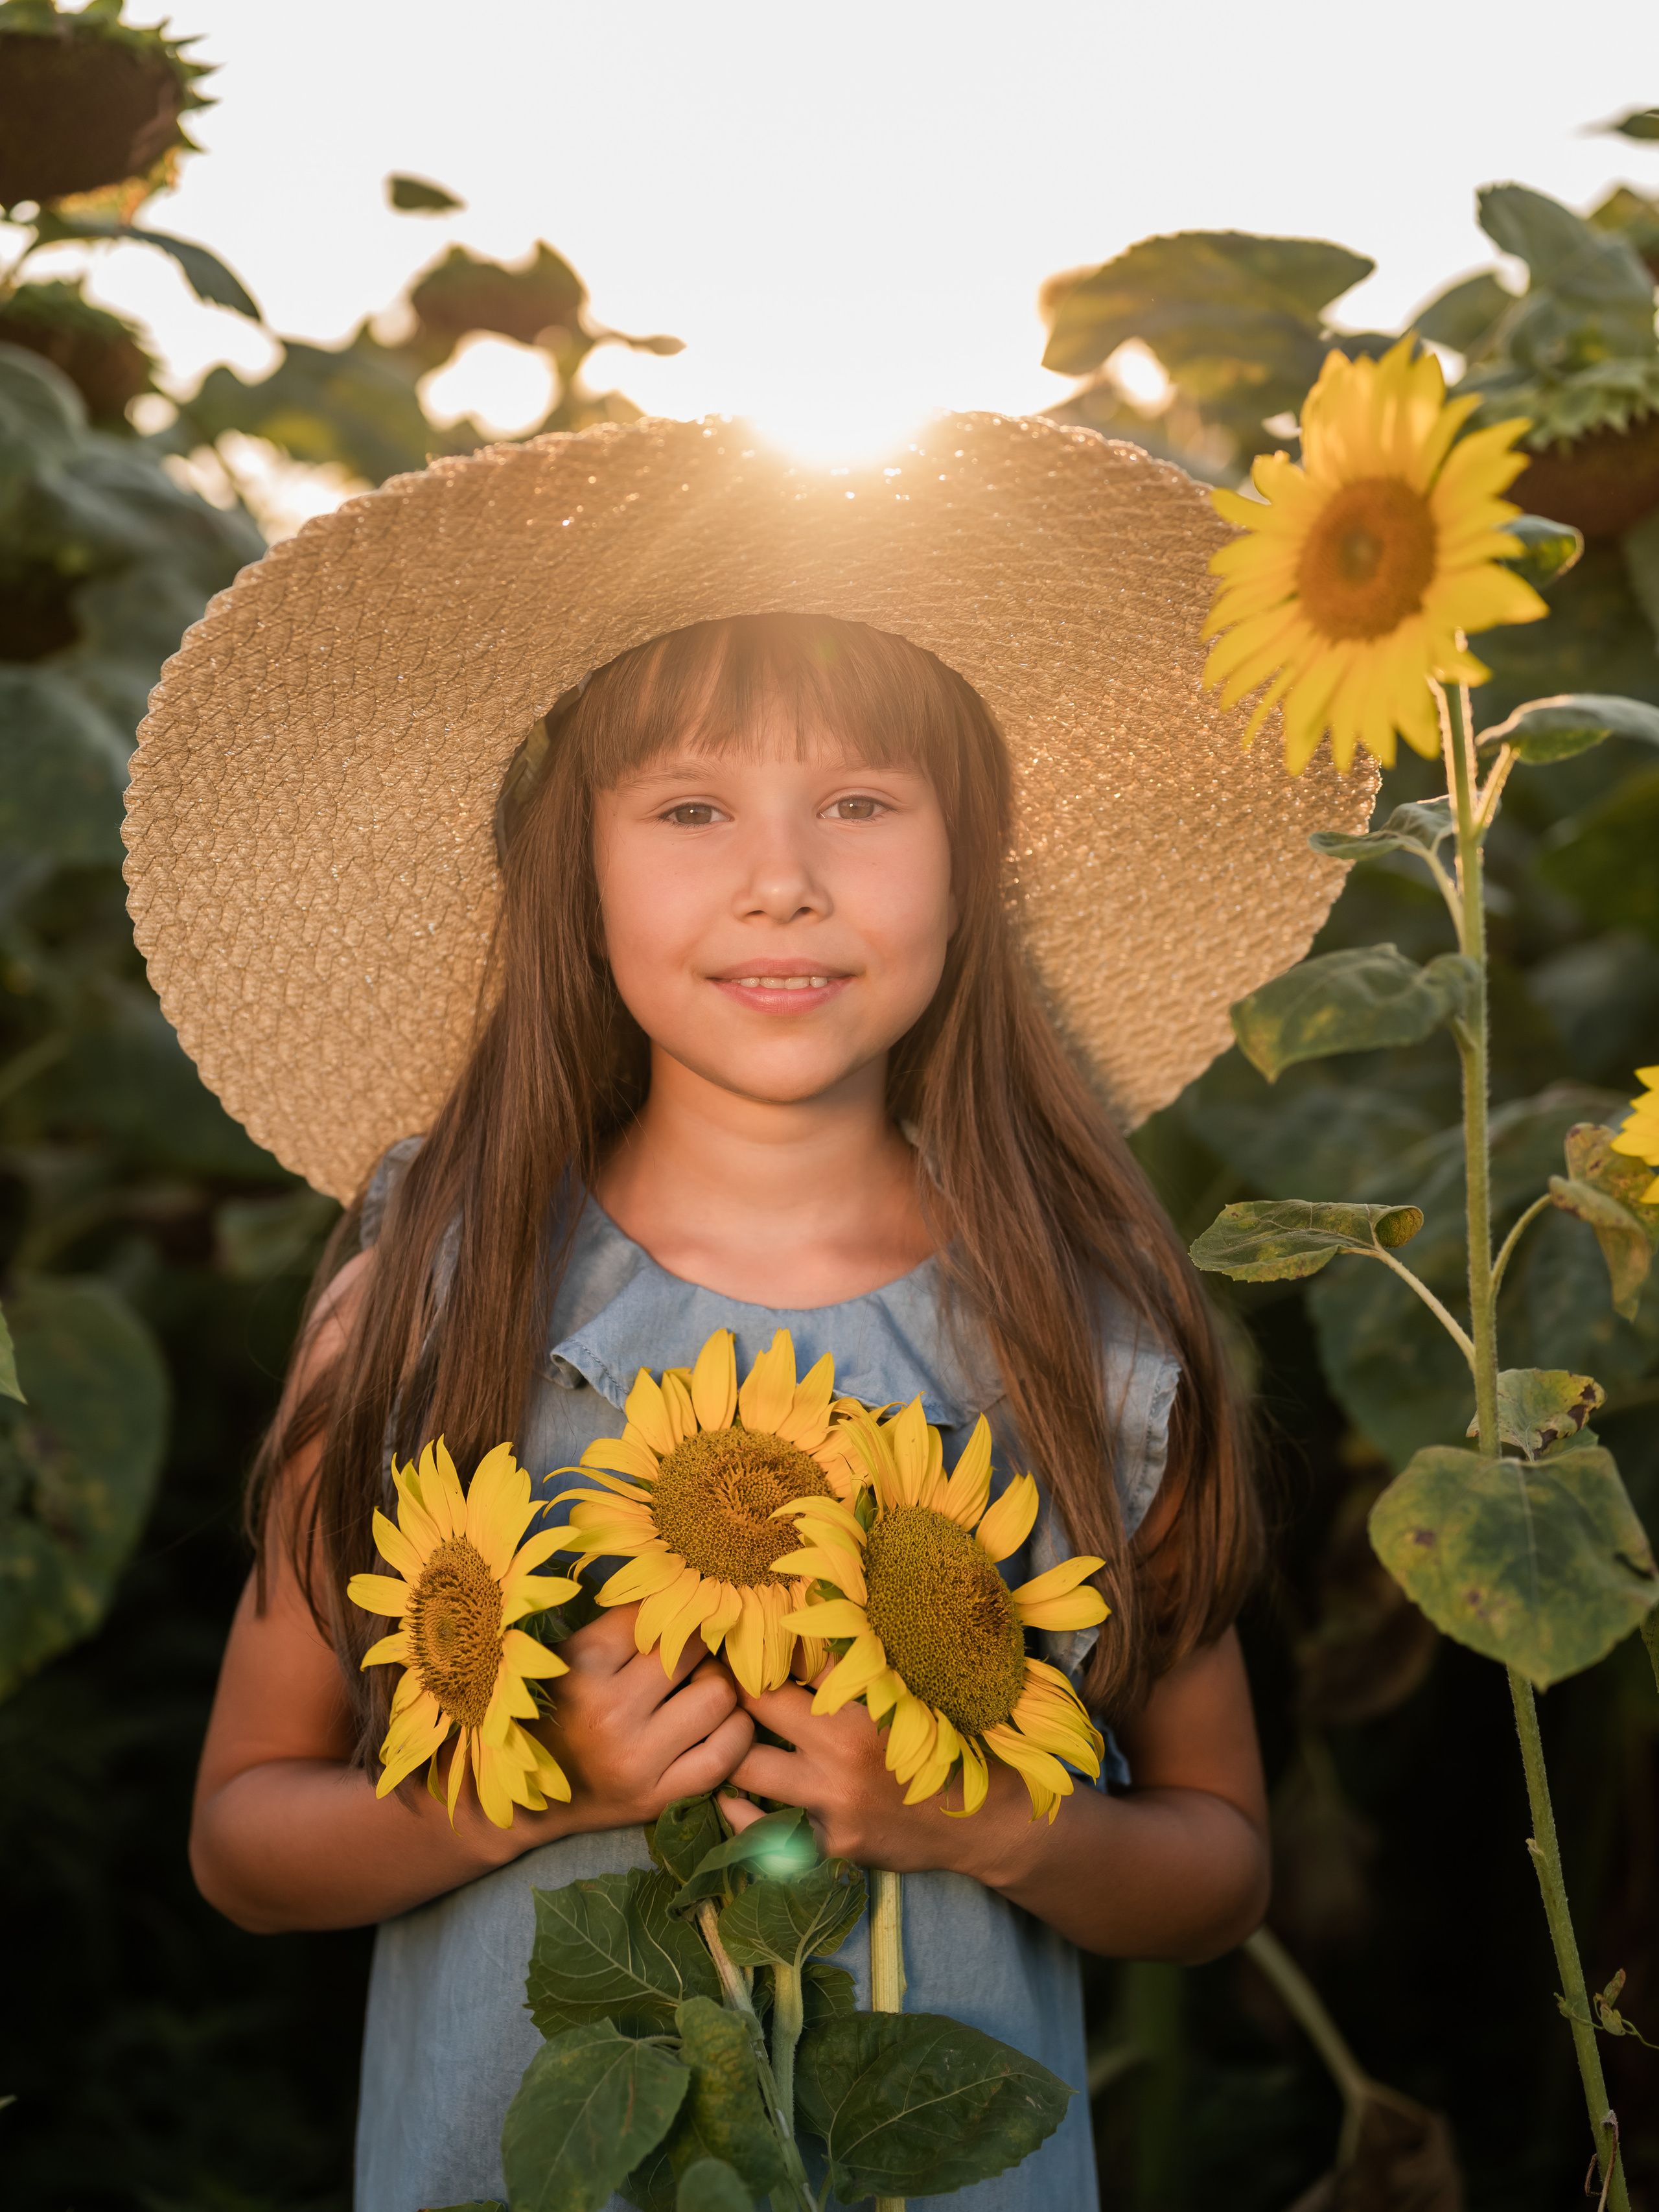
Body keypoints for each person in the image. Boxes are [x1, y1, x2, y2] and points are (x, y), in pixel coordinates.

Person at [126, 413, 1377, 2209]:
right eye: (692, 809)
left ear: (975, 860)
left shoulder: (1086, 1340)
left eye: (862, 806)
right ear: (580, 865)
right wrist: (527, 1786)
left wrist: (991, 1822)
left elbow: (1215, 1867)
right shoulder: (439, 1296)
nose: (780, 877)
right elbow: (246, 1834)